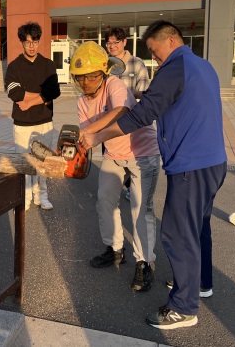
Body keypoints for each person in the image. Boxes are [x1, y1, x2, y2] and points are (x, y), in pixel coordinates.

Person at [81, 20, 227, 330]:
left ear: (170, 40)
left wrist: (97, 137)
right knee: (198, 227)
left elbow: (141, 115)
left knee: (177, 233)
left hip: (190, 165)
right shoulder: (204, 66)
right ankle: (200, 284)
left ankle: (184, 308)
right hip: (214, 161)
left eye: (154, 49)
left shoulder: (174, 69)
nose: (153, 57)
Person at [71, 42, 160, 292]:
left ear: (103, 72)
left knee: (141, 209)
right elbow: (87, 134)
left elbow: (121, 110)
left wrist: (87, 133)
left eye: (91, 75)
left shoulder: (114, 85)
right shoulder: (82, 101)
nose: (86, 82)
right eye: (81, 77)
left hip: (142, 152)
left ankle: (144, 263)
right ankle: (115, 248)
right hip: (113, 153)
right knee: (105, 200)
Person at [4, 21, 60, 211]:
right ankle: (24, 197)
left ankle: (42, 196)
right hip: (22, 123)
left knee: (43, 161)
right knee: (24, 162)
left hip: (44, 122)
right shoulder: (14, 67)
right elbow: (14, 92)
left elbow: (54, 91)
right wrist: (41, 98)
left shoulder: (48, 65)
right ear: (22, 42)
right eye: (28, 42)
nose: (32, 46)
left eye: (35, 42)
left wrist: (28, 102)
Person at [105, 27, 151, 201]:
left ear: (124, 42)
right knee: (112, 156)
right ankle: (114, 189)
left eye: (116, 42)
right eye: (108, 43)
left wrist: (125, 96)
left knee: (132, 156)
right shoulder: (105, 65)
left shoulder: (136, 64)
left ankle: (132, 187)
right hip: (109, 120)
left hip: (131, 120)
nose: (112, 46)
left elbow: (144, 93)